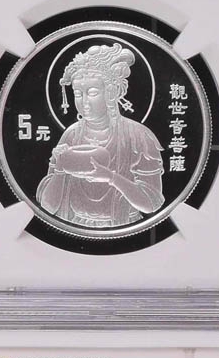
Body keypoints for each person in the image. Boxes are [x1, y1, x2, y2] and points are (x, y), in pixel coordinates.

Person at [36, 42, 164, 228]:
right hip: (75, 226)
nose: (84, 102)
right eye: (78, 93)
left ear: (112, 92)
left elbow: (151, 204)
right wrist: (60, 169)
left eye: (93, 92)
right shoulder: (71, 135)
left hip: (125, 227)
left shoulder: (138, 137)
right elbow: (48, 206)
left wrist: (111, 178)